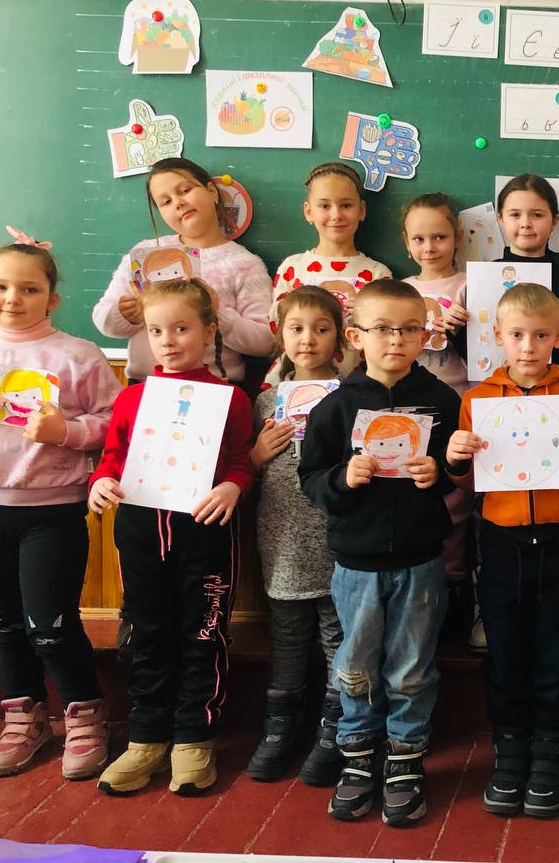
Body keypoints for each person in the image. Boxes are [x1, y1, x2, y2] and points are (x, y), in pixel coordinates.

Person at [298, 279, 460, 826]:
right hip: (356, 564)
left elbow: (458, 468)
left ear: (424, 335)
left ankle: (406, 759)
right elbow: (310, 478)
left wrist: (439, 473)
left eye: (410, 329)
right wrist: (342, 479)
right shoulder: (334, 407)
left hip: (420, 560)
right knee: (355, 664)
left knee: (411, 668)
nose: (396, 339)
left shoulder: (442, 400)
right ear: (356, 336)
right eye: (383, 328)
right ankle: (357, 757)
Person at [88, 278, 255, 796]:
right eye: (156, 330)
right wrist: (101, 481)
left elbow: (241, 461)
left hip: (204, 531)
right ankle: (146, 738)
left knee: (203, 632)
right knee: (145, 632)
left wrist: (233, 485)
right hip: (141, 531)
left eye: (181, 328)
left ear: (209, 331)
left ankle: (194, 738)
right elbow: (112, 458)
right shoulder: (132, 398)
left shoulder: (231, 399)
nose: (168, 340)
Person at [446, 283, 559, 819]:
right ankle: (510, 748)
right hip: (501, 542)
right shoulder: (477, 400)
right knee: (506, 652)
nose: (528, 346)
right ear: (497, 336)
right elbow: (467, 481)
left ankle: (551, 750)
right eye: (517, 335)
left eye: (540, 335)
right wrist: (456, 456)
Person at [0, 234, 121, 780]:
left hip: (52, 511)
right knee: (4, 623)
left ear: (52, 298)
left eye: (28, 288)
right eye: (0, 286)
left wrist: (65, 431)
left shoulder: (77, 355)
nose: (12, 299)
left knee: (51, 623)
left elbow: (114, 423)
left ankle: (84, 713)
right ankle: (23, 716)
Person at [244, 287, 346, 786]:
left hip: (337, 539)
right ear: (280, 336)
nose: (308, 339)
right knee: (286, 635)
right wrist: (256, 455)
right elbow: (242, 473)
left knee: (336, 634)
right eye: (297, 328)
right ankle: (279, 729)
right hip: (282, 538)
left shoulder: (350, 397)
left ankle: (335, 729)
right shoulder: (265, 402)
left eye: (321, 329)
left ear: (340, 338)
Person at [92, 157, 274, 386]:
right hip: (147, 383)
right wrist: (124, 315)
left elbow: (265, 341)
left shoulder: (245, 264)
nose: (178, 203)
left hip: (216, 386)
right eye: (166, 202)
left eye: (185, 190)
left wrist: (217, 312)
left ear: (212, 192)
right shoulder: (145, 254)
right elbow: (103, 319)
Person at [401, 193, 475, 637]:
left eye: (440, 237)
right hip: (412, 408)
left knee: (456, 499)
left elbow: (486, 350)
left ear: (458, 237)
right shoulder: (401, 290)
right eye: (419, 239)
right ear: (406, 242)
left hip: (459, 402)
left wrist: (464, 329)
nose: (429, 247)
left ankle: (455, 585)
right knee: (417, 492)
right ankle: (421, 592)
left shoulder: (470, 285)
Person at [495, 175, 559, 371]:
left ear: (555, 220)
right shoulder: (484, 277)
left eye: (537, 215)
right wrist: (457, 329)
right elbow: (474, 350)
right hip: (496, 383)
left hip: (547, 385)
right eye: (515, 214)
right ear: (500, 219)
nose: (526, 223)